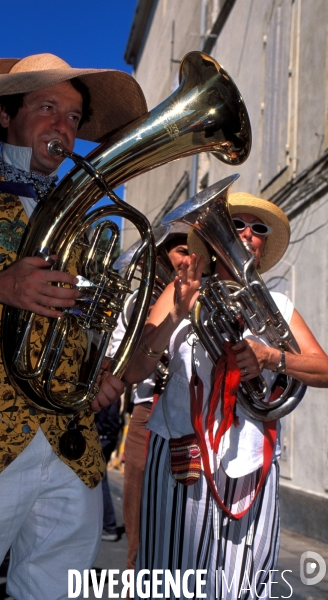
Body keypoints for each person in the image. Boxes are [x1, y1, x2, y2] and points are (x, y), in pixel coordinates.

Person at [0, 53, 148, 600]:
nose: (63, 128)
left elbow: (89, 325)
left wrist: (102, 373)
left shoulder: (85, 222)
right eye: (48, 108)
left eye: (74, 117)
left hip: (70, 452)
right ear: (5, 115)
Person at [123, 191, 328, 600]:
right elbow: (132, 372)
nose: (247, 234)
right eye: (236, 225)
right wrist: (176, 316)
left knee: (245, 584)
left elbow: (323, 369)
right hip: (184, 458)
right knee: (172, 580)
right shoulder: (180, 292)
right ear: (214, 239)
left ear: (264, 244)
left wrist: (272, 357)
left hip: (253, 462)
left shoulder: (280, 306)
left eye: (258, 228)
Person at [113, 223, 190, 569]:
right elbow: (118, 359)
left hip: (193, 416)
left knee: (186, 528)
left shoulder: (205, 294)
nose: (189, 259)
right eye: (182, 251)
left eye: (194, 252)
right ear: (163, 256)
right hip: (148, 412)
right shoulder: (138, 301)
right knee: (140, 525)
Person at [95, 398, 122, 541]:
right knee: (98, 480)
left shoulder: (108, 387)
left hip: (102, 437)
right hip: (106, 437)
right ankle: (106, 524)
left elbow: (111, 418)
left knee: (100, 480)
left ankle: (109, 525)